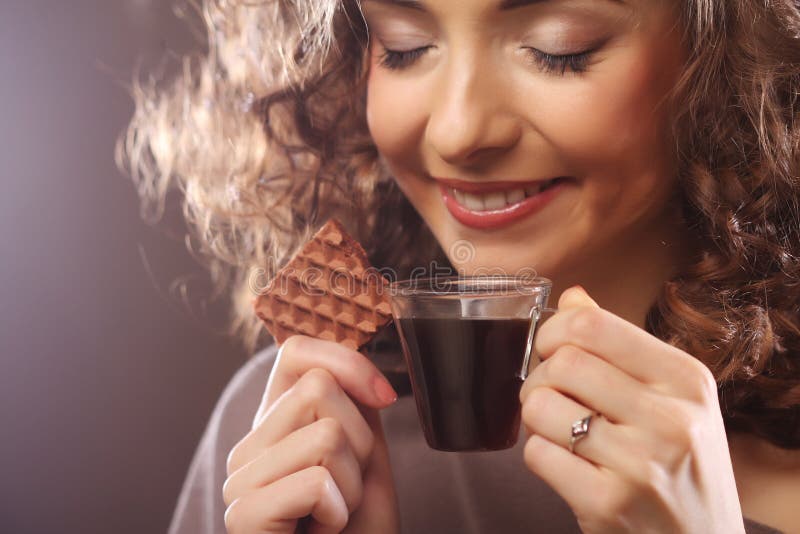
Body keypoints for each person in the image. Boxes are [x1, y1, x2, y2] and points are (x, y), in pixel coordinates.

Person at [118, 0, 800, 532]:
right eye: (405, 46)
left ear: (733, 57)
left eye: (558, 49)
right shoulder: (287, 433)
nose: (458, 131)